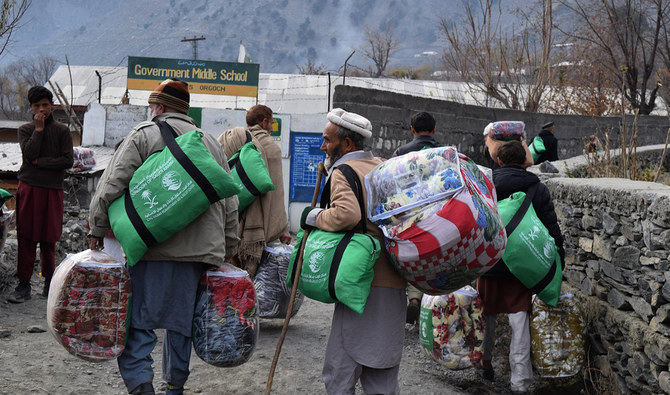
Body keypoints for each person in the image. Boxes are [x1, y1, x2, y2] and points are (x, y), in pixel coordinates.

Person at [87, 79, 239, 395]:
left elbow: (112, 184)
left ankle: (142, 387)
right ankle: (174, 387)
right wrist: (229, 247)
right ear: (186, 110)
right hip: (199, 254)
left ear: (159, 108)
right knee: (181, 325)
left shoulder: (145, 135)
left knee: (138, 322)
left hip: (150, 248)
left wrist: (97, 228)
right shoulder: (210, 143)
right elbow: (230, 202)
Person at [301, 108, 407, 394]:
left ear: (347, 144)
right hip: (395, 277)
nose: (323, 146)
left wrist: (312, 217)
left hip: (361, 280)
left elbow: (346, 215)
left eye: (327, 140)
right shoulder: (382, 167)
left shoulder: (343, 172)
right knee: (382, 371)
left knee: (341, 368)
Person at [477, 140, 564, 394]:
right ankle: (521, 381)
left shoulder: (485, 184)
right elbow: (550, 227)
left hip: (489, 260)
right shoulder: (537, 188)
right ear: (525, 161)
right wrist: (558, 258)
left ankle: (485, 362)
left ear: (499, 161)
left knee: (487, 315)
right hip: (523, 266)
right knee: (519, 321)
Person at [8, 86, 73, 303]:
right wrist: (38, 130)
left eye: (45, 105)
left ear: (52, 105)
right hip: (29, 188)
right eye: (37, 106)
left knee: (49, 239)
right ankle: (23, 285)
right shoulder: (25, 130)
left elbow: (67, 161)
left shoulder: (63, 131)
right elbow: (29, 155)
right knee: (26, 237)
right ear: (30, 107)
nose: (42, 109)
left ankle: (49, 283)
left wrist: (40, 163)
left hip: (52, 191)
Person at [217, 104, 291, 277]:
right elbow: (276, 194)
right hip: (259, 231)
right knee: (256, 279)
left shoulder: (235, 140)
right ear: (264, 122)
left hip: (231, 219)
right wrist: (282, 228)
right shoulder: (271, 148)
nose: (272, 129)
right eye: (271, 123)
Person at [392, 111, 441, 324]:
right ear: (435, 129)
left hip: (408, 213)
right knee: (431, 257)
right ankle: (425, 301)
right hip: (437, 214)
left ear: (412, 130)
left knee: (409, 254)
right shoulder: (444, 152)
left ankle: (410, 298)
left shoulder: (401, 153)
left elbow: (389, 182)